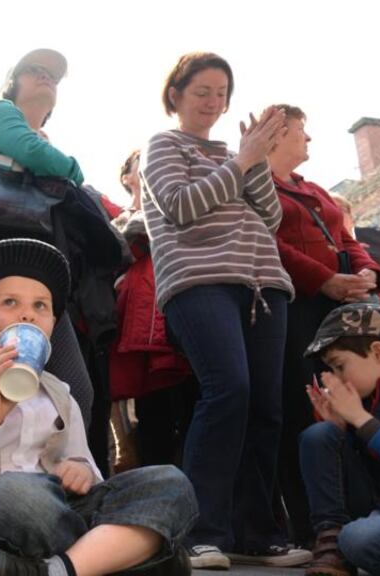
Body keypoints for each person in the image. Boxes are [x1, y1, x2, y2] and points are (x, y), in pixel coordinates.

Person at [0, 238, 197, 575]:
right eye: (10, 302)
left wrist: (81, 470)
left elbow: (88, 476)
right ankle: (118, 554)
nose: (27, 314)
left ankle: (51, 570)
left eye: (41, 306)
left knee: (169, 481)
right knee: (22, 495)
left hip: (58, 512)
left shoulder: (59, 392)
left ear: (52, 323)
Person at [139, 52, 310, 570]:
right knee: (227, 389)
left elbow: (271, 215)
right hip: (200, 281)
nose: (213, 103)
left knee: (265, 406)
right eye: (202, 92)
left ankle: (257, 531)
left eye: (221, 94)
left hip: (264, 286)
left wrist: (251, 159)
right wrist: (239, 162)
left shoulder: (233, 152)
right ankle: (199, 531)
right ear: (176, 96)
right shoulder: (162, 145)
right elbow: (180, 205)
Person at [268, 104, 380, 547]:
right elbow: (268, 245)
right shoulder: (257, 185)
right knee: (306, 407)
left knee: (361, 400)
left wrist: (369, 274)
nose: (309, 140)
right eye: (302, 131)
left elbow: (347, 241)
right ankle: (314, 527)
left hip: (346, 310)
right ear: (277, 134)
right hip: (299, 309)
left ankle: (368, 507)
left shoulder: (314, 189)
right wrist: (325, 280)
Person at [0, 48, 96, 424]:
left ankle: (65, 469)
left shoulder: (43, 139)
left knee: (73, 388)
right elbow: (33, 153)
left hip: (37, 270)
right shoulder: (0, 112)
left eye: (53, 76)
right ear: (13, 83)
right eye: (34, 70)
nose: (45, 77)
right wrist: (73, 169)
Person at [299, 303, 380, 576]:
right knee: (319, 436)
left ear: (379, 352)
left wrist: (361, 420)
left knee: (361, 539)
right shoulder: (366, 398)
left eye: (340, 366)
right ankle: (331, 545)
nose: (336, 379)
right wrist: (339, 428)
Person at [109, 150, 194, 468]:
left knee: (193, 412)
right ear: (127, 178)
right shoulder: (115, 221)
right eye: (142, 160)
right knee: (154, 422)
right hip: (140, 338)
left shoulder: (182, 207)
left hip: (184, 320)